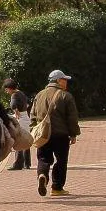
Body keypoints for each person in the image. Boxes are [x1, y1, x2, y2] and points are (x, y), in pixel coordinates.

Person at [30, 69, 81, 197]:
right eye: (64, 79)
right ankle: (57, 187)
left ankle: (42, 175)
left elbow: (33, 115)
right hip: (61, 135)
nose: (66, 82)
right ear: (58, 80)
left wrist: (33, 130)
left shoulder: (39, 95)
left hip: (43, 134)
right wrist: (73, 134)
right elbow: (72, 118)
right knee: (61, 160)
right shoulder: (66, 96)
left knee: (43, 158)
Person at [3, 77, 32, 171]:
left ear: (10, 88)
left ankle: (18, 164)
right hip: (26, 117)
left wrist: (15, 111)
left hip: (20, 119)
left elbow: (13, 105)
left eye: (6, 89)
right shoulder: (21, 93)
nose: (6, 91)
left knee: (18, 141)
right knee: (26, 140)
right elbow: (28, 104)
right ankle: (27, 163)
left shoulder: (14, 95)